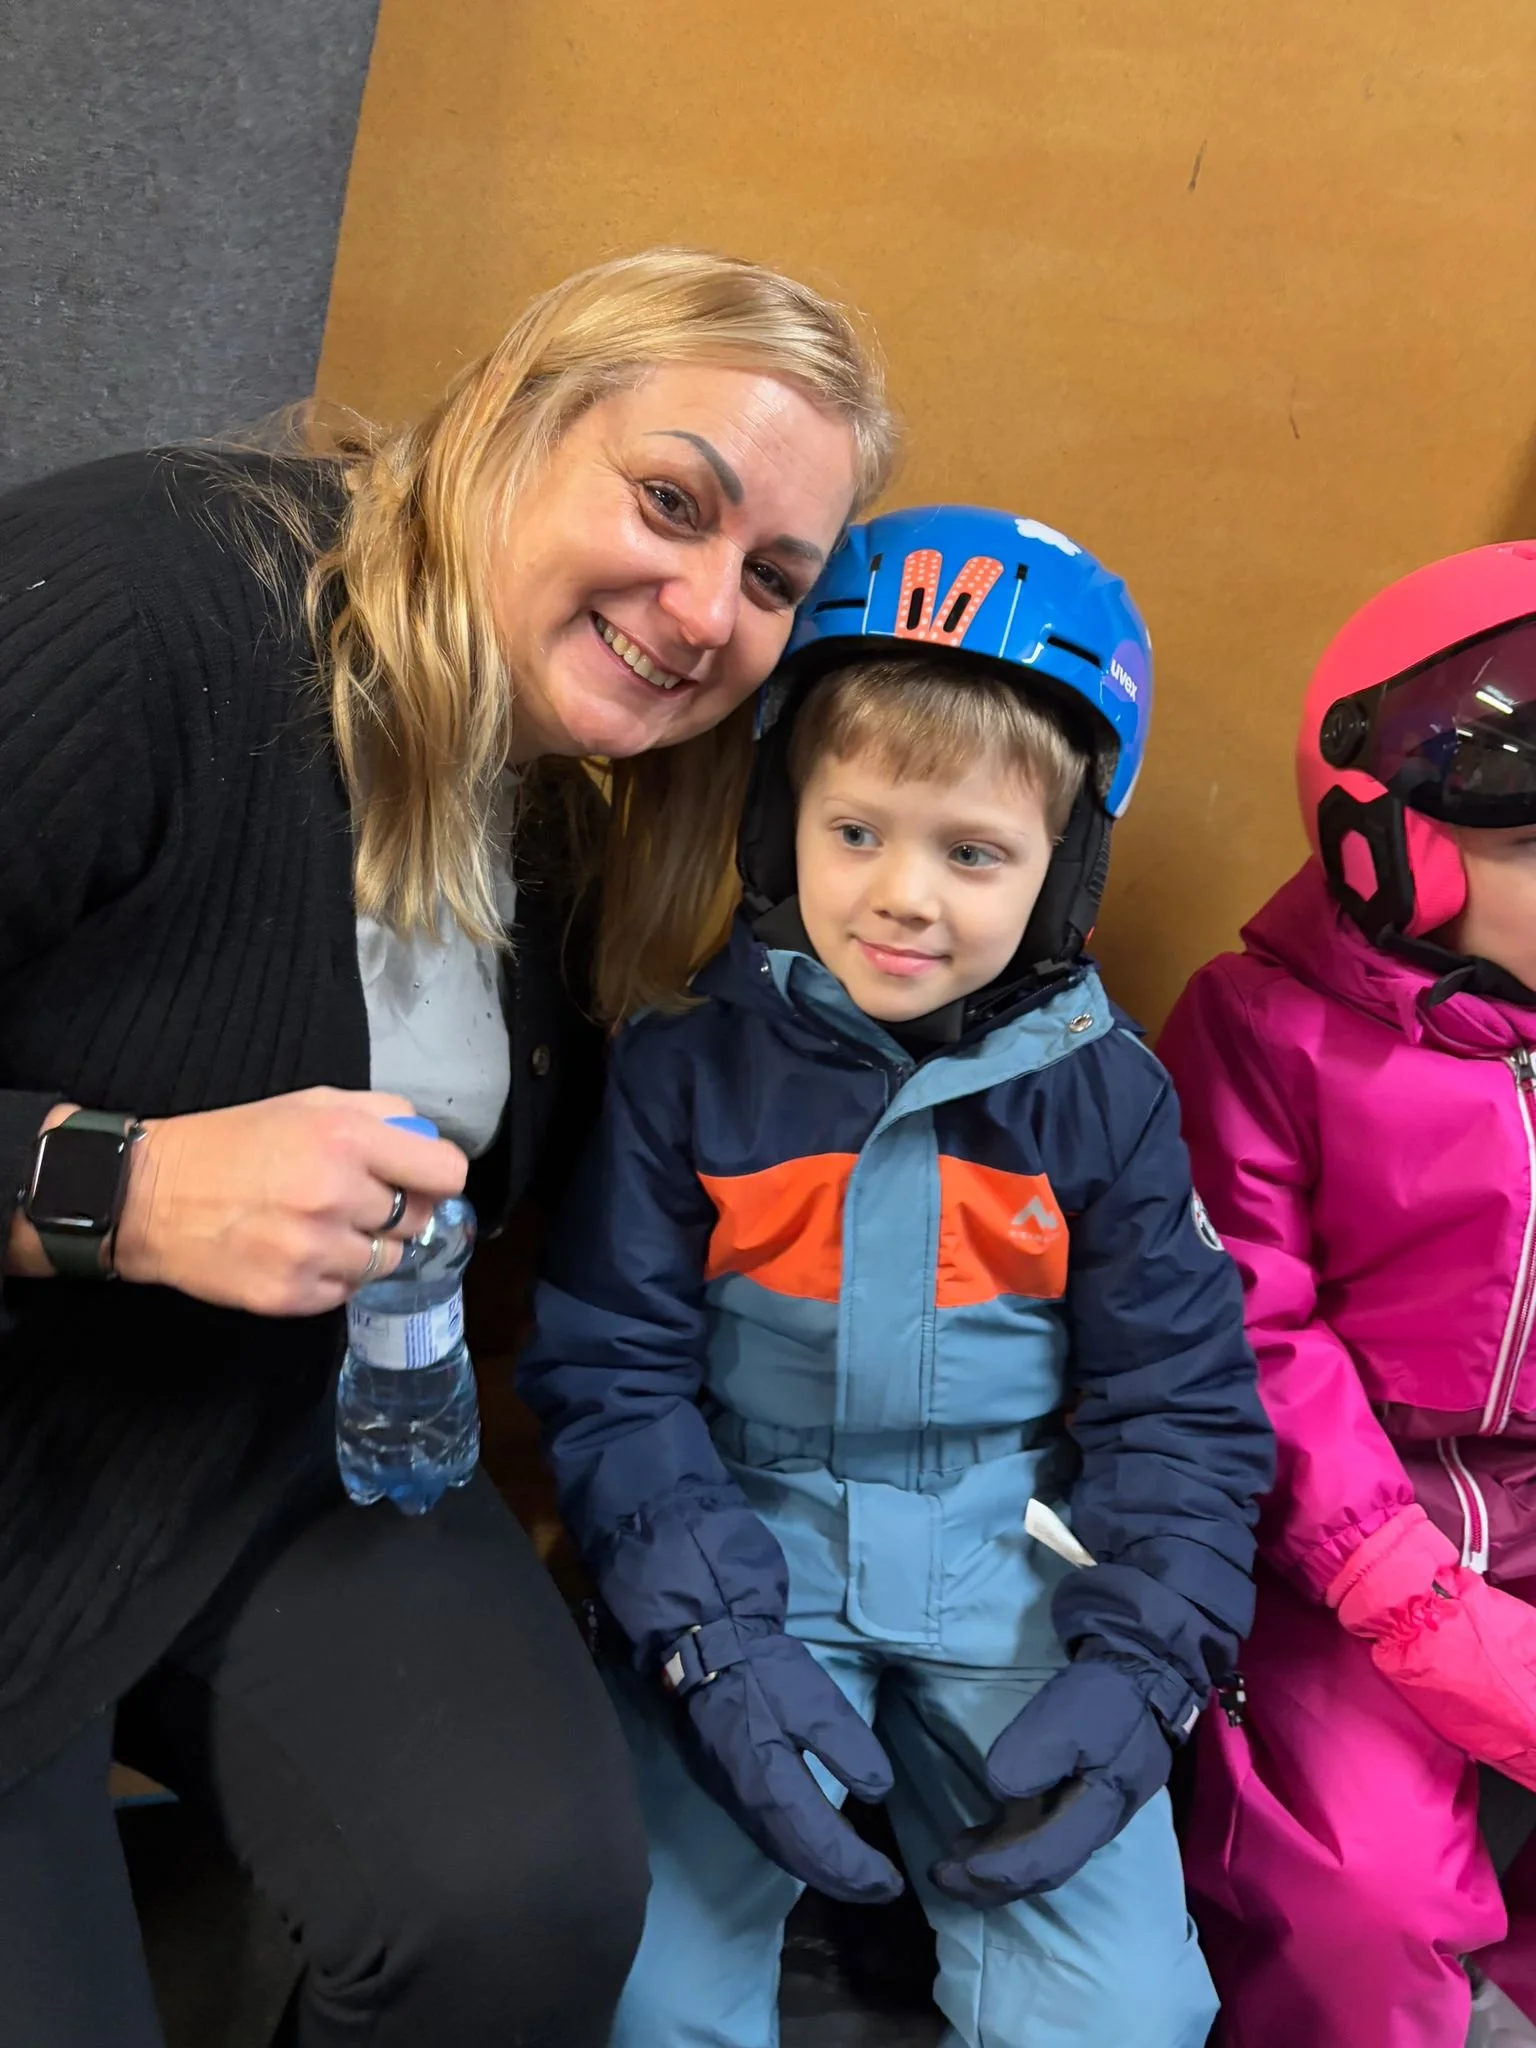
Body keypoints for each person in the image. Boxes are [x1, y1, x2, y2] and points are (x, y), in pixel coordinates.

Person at [0, 246, 894, 2048]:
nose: (708, 606)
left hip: (267, 1450)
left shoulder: (577, 803)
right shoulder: (137, 597)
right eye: (671, 501)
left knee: (527, 1907)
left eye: (772, 578)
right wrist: (126, 1187)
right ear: (506, 419)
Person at [519, 504, 1272, 2048]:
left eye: (973, 852)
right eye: (856, 830)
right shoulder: (687, 1065)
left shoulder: (1105, 1100)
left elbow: (1185, 1412)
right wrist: (706, 1634)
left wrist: (1145, 1668)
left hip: (1020, 1572)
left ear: (1064, 876)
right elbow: (613, 1374)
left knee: (1126, 2016)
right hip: (749, 1549)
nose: (904, 898)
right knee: (639, 1992)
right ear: (777, 817)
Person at [1158, 543, 1536, 2048]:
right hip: (1345, 1546)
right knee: (1356, 1898)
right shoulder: (1256, 1026)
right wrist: (1401, 1589)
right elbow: (1243, 1320)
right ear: (1400, 853)